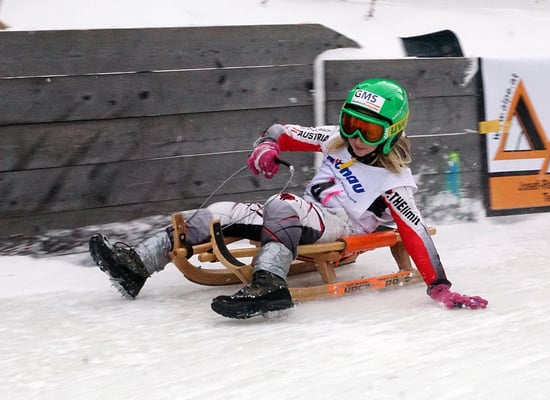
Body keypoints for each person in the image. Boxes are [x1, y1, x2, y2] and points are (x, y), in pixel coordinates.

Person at [89, 78, 488, 319]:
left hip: (343, 229)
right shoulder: (336, 139)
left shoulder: (394, 182)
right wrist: (266, 146)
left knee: (282, 204)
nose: (355, 137)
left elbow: (415, 231)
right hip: (307, 215)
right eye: (351, 123)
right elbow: (280, 131)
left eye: (369, 131)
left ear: (392, 132)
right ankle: (138, 264)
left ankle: (270, 285)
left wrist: (440, 286)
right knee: (220, 212)